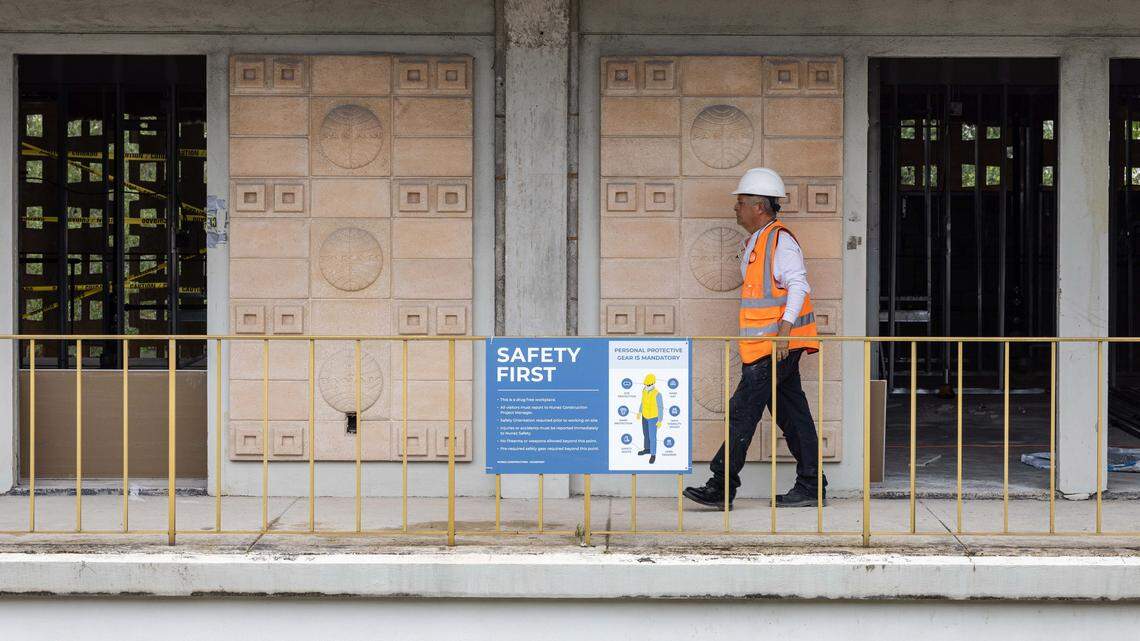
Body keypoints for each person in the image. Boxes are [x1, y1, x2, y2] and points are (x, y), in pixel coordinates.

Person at [684, 167, 826, 509]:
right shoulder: (757, 241)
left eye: (741, 202)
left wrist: (783, 333)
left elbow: (799, 285)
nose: (736, 207)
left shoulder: (781, 241)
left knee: (742, 410)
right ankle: (811, 485)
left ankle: (721, 486)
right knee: (793, 413)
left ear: (759, 206)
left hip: (775, 346)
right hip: (767, 346)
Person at [637, 373, 663, 464]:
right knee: (646, 434)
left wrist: (660, 420)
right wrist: (640, 412)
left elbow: (660, 408)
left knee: (652, 436)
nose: (646, 386)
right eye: (646, 385)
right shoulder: (644, 390)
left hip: (653, 417)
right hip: (645, 416)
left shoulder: (657, 394)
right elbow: (642, 402)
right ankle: (647, 449)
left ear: (653, 384)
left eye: (648, 385)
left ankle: (653, 454)